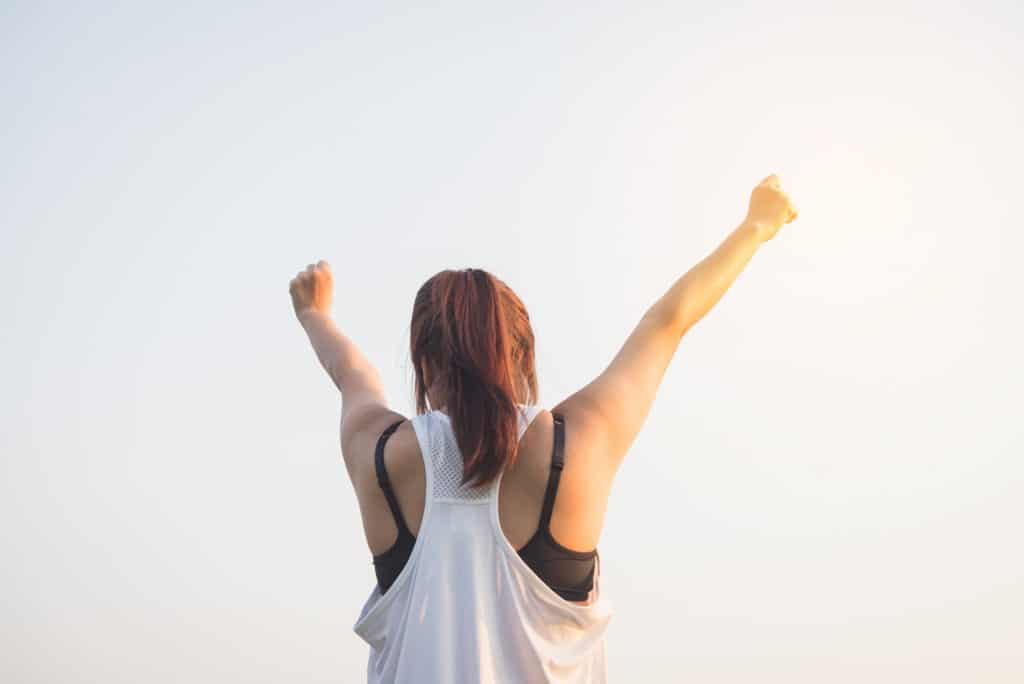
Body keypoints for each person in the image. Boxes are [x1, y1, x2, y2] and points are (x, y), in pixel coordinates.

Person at [288, 174, 799, 683]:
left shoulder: (380, 457)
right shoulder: (577, 445)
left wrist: (314, 313)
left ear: (422, 361)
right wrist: (756, 225)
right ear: (523, 355)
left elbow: (353, 374)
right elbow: (668, 322)